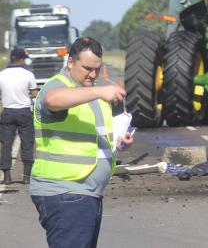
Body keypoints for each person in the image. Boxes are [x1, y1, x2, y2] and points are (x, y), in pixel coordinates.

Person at [29, 37, 134, 248]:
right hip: (66, 192)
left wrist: (119, 142)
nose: (93, 75)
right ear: (70, 63)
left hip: (86, 193)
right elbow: (52, 99)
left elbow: (94, 135)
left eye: (97, 69)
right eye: (87, 68)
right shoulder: (60, 85)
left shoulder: (90, 92)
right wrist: (99, 91)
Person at [0, 47, 38, 184]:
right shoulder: (28, 74)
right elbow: (34, 94)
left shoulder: (2, 74)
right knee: (27, 143)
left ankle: (7, 176)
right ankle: (26, 177)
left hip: (8, 112)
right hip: (24, 112)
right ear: (21, 59)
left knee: (6, 144)